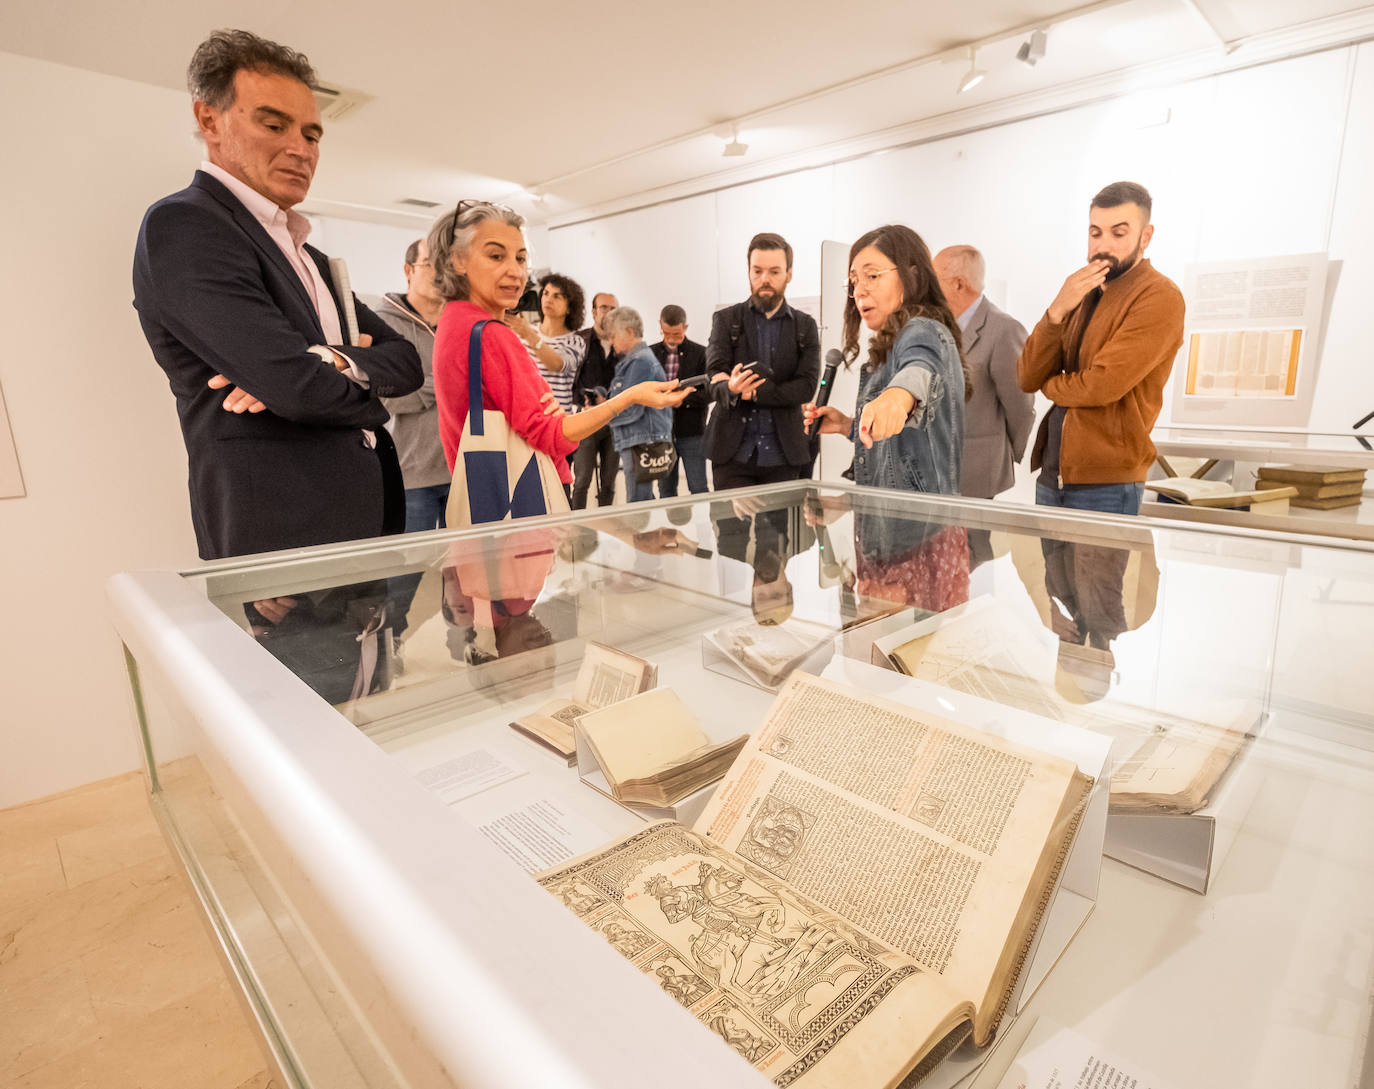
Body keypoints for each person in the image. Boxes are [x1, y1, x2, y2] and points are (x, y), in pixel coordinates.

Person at [133, 29, 422, 560]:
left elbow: (406, 363)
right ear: (209, 119)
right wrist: (331, 376)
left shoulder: (309, 257)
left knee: (374, 646)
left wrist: (330, 359)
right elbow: (297, 387)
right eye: (273, 124)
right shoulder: (186, 225)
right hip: (280, 534)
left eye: (312, 134)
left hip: (362, 518)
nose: (301, 148)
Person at [428, 203, 687, 522]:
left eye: (520, 258)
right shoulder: (494, 336)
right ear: (458, 260)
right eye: (496, 256)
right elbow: (555, 436)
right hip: (520, 497)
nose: (515, 271)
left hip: (481, 495)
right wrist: (630, 397)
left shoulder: (453, 322)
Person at [804, 224, 971, 613]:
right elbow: (897, 451)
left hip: (913, 541)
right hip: (892, 534)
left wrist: (899, 397)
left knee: (903, 660)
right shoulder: (888, 344)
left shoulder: (923, 329)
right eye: (853, 281)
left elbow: (920, 369)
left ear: (911, 276)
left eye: (873, 276)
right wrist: (848, 424)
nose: (860, 290)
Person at [1018, 181, 1186, 516]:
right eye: (1095, 233)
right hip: (1054, 475)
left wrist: (1050, 386)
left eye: (1118, 233)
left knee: (1098, 572)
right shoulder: (1083, 292)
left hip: (1108, 483)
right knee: (1052, 572)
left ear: (1146, 236)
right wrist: (1057, 311)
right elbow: (1026, 376)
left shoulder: (1159, 295)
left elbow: (1101, 385)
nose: (1103, 245)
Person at [705, 233, 820, 490]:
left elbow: (806, 387)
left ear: (789, 274)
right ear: (748, 272)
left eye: (774, 271)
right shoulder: (725, 320)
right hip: (731, 453)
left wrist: (752, 393)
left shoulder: (805, 326)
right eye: (757, 271)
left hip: (784, 454)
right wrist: (731, 388)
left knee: (784, 531)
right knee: (729, 530)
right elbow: (713, 377)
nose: (764, 279)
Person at [933, 245, 1034, 501]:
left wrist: (1003, 452)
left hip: (976, 472)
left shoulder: (1004, 330)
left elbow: (1020, 406)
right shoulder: (937, 327)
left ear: (958, 284)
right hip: (934, 470)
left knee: (974, 543)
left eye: (934, 280)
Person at [377, 237, 450, 531]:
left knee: (465, 571)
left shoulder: (459, 323)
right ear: (408, 270)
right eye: (430, 264)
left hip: (463, 471)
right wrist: (446, 384)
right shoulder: (383, 325)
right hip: (411, 476)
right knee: (405, 574)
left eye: (446, 265)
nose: (440, 273)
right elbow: (383, 396)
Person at [604, 307, 675, 503]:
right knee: (643, 501)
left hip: (641, 442)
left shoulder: (641, 362)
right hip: (638, 439)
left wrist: (602, 415)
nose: (611, 342)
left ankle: (644, 536)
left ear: (629, 331)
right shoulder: (635, 361)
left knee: (638, 505)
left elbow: (631, 407)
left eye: (613, 335)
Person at [504, 273, 587, 421]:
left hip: (558, 420)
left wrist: (528, 334)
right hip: (525, 417)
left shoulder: (575, 342)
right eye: (546, 293)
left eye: (557, 296)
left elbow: (557, 364)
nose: (549, 299)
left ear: (569, 308)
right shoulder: (524, 331)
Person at [650, 305, 710, 499]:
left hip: (692, 432)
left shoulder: (701, 353)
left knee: (698, 487)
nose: (671, 338)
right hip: (660, 433)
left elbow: (710, 393)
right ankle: (669, 530)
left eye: (676, 333)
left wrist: (682, 401)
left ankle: (703, 529)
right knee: (666, 491)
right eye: (666, 333)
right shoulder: (650, 354)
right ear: (660, 325)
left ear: (685, 327)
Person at [570, 292, 622, 508]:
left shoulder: (623, 343)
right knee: (582, 481)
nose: (608, 313)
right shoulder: (579, 340)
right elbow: (569, 379)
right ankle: (578, 532)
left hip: (614, 420)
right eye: (604, 308)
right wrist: (584, 400)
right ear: (593, 312)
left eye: (613, 309)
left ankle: (607, 531)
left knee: (609, 483)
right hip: (586, 420)